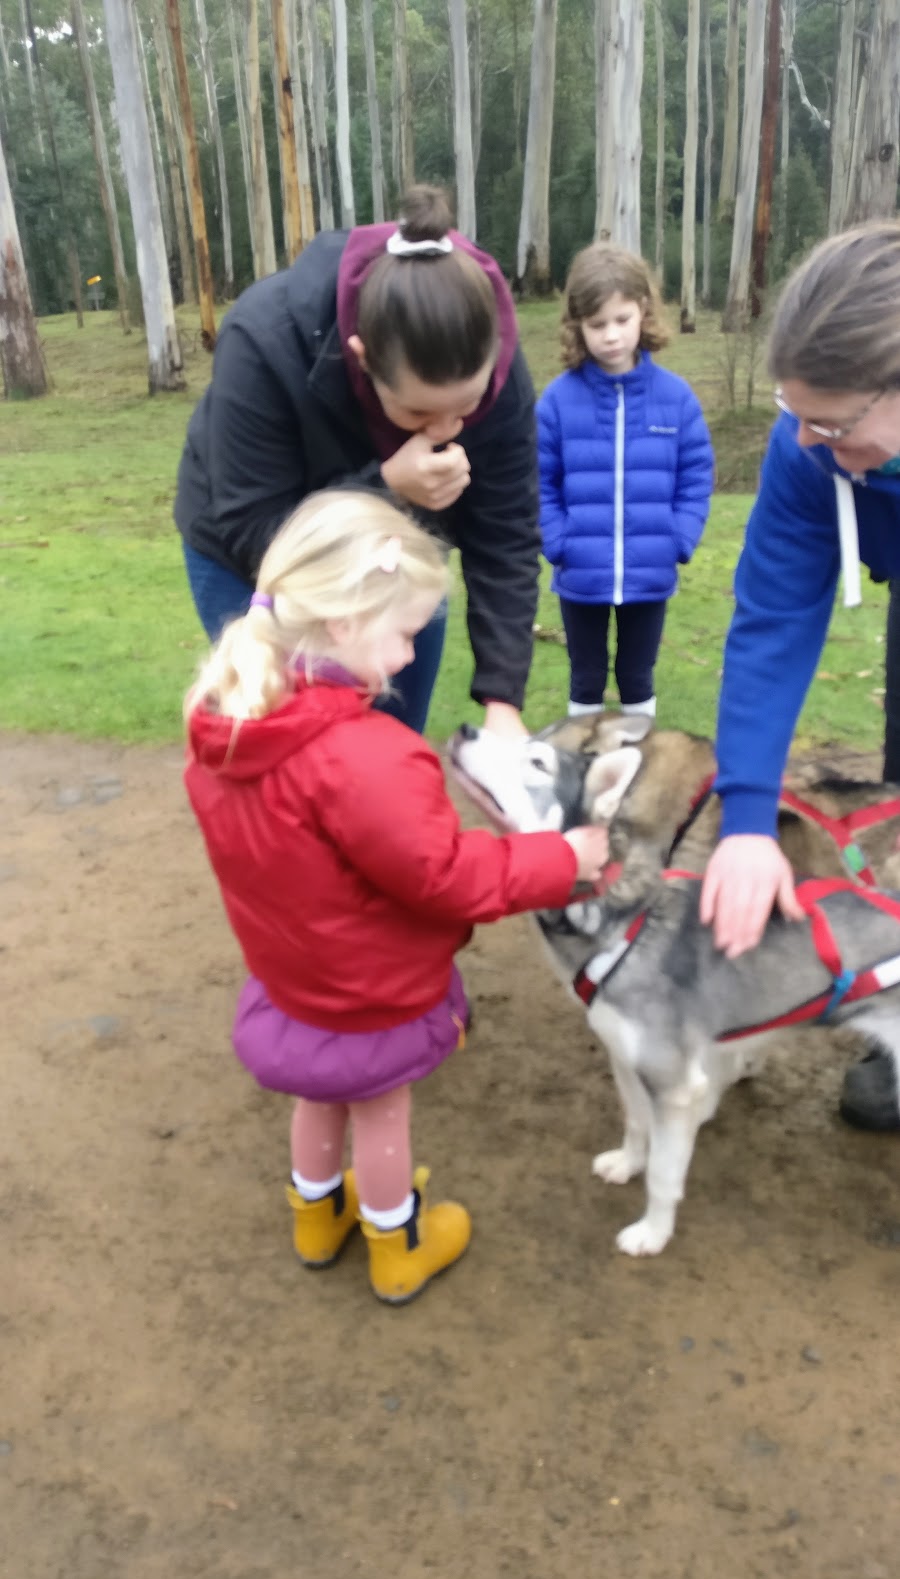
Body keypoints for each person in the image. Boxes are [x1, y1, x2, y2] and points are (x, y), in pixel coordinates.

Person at [183, 491, 611, 1305]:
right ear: (344, 623)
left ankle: (316, 1218)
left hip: (294, 978)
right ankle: (397, 1240)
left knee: (319, 1095)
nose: (414, 656)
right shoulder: (367, 756)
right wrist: (558, 858)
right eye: (408, 633)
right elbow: (446, 874)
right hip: (369, 990)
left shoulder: (229, 726)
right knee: (380, 1112)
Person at [175, 184, 541, 740]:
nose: (444, 433)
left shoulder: (499, 369)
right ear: (362, 357)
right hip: (254, 556)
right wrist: (389, 487)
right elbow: (254, 528)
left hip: (400, 561)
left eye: (468, 407)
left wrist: (503, 702)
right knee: (294, 751)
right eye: (419, 411)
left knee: (389, 748)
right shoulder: (265, 339)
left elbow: (507, 537)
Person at [698, 220, 900, 1133]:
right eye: (796, 416)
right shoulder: (807, 449)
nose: (810, 441)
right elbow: (774, 622)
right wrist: (746, 822)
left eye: (833, 422)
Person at [536, 243, 714, 719]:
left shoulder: (676, 400)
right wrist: (558, 541)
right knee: (586, 676)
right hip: (581, 572)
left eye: (621, 320)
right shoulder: (556, 402)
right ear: (578, 326)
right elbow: (538, 482)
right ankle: (583, 768)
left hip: (651, 571)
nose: (611, 336)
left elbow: (696, 476)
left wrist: (678, 538)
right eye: (597, 325)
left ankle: (639, 772)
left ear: (643, 313)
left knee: (637, 676)